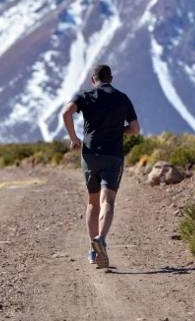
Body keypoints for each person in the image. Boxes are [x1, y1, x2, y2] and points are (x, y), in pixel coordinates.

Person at [61, 65, 140, 268]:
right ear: (111, 79)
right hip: (113, 155)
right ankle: (101, 239)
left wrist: (74, 138)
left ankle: (93, 250)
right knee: (108, 201)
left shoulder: (85, 95)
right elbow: (135, 129)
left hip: (90, 155)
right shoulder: (122, 98)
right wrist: (119, 130)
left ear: (92, 79)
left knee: (93, 203)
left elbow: (66, 113)